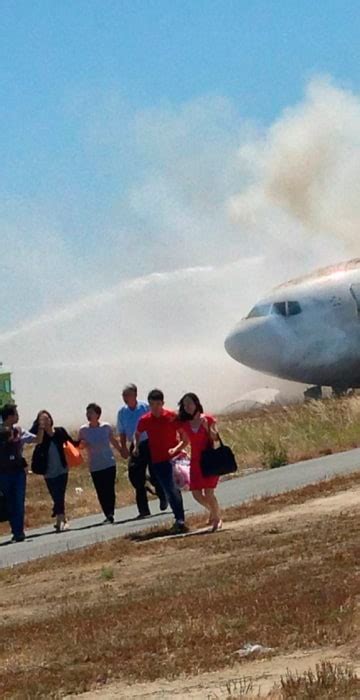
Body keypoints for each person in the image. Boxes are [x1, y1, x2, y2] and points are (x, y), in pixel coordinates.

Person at [134, 389, 188, 534]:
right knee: (168, 489)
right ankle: (179, 518)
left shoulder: (171, 417)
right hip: (158, 460)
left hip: (174, 459)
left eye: (158, 404)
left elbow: (184, 436)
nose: (155, 407)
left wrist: (177, 448)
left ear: (162, 403)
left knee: (174, 488)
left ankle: (180, 519)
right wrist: (136, 446)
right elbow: (138, 432)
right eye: (152, 404)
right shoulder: (145, 419)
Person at [117, 383, 168, 518]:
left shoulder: (145, 407)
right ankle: (143, 510)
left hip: (150, 442)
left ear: (135, 395)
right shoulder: (122, 412)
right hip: (136, 445)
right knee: (135, 475)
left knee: (155, 471)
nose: (125, 398)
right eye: (123, 395)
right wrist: (123, 447)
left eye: (127, 395)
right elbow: (122, 432)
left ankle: (163, 496)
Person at [175, 393, 222, 531]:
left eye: (190, 403)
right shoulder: (185, 424)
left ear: (196, 403)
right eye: (185, 405)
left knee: (208, 492)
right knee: (196, 493)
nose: (187, 407)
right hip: (195, 461)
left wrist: (207, 427)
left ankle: (217, 518)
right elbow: (185, 441)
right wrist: (175, 449)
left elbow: (215, 438)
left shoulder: (207, 419)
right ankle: (214, 511)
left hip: (209, 460)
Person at [30, 410, 78, 532]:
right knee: (55, 495)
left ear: (51, 419)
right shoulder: (40, 436)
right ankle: (60, 517)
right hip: (48, 471)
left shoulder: (60, 431)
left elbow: (71, 442)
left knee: (60, 494)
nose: (46, 421)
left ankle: (61, 520)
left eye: (47, 418)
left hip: (62, 469)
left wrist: (82, 442)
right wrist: (40, 428)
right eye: (42, 419)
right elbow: (34, 438)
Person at [78, 403, 122, 523]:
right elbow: (79, 445)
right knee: (100, 490)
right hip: (95, 465)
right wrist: (82, 445)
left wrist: (122, 451)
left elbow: (113, 441)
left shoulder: (106, 427)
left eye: (91, 412)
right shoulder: (83, 430)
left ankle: (111, 512)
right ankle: (107, 513)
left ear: (97, 414)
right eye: (87, 413)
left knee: (109, 489)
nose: (88, 415)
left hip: (109, 462)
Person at [0, 404, 35, 542]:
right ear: (10, 416)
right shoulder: (2, 432)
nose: (18, 416)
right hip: (3, 472)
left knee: (18, 501)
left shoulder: (18, 431)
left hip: (18, 471)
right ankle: (16, 528)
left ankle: (18, 531)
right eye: (16, 413)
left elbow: (36, 439)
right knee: (9, 501)